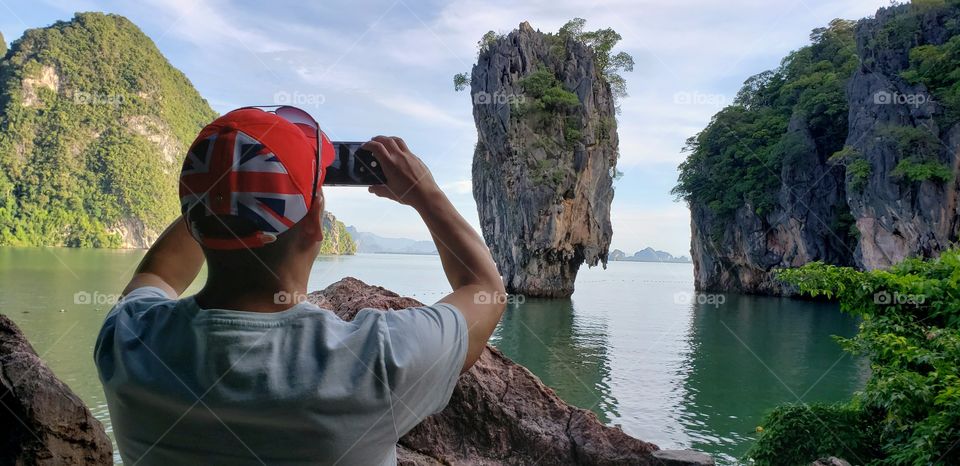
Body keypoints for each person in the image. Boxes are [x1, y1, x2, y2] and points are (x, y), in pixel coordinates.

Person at [94, 107, 506, 465]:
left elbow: (160, 275)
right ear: (315, 224)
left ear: (192, 217)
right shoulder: (375, 361)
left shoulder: (129, 339)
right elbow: (484, 288)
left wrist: (226, 176)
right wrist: (424, 192)